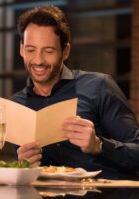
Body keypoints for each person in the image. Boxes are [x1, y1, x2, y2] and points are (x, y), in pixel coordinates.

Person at [10, 5, 139, 179]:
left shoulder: (99, 86)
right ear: (21, 49)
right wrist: (24, 166)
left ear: (66, 51)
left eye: (48, 51)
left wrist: (99, 145)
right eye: (30, 50)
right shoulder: (16, 106)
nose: (38, 60)